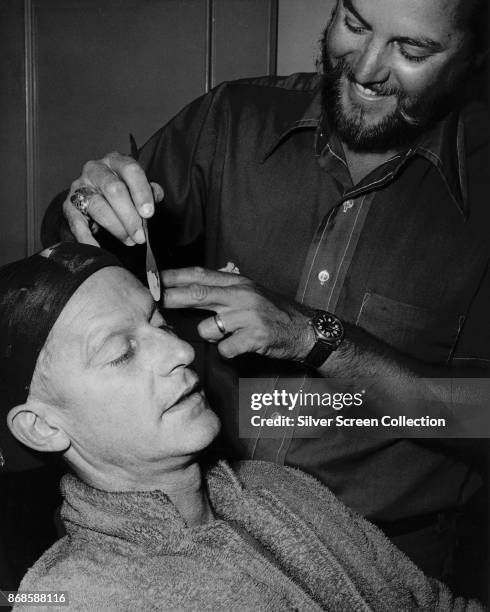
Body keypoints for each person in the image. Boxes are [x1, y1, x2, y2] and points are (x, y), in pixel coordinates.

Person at [43, 0, 489, 592]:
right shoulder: (229, 119)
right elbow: (67, 253)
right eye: (354, 25)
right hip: (194, 520)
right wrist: (83, 207)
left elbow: (477, 415)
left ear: (475, 56)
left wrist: (314, 338)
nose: (366, 67)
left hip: (394, 556)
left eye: (412, 51)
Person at [1, 242, 484, 612]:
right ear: (42, 428)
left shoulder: (282, 486)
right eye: (121, 352)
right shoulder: (77, 598)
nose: (182, 352)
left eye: (162, 325)